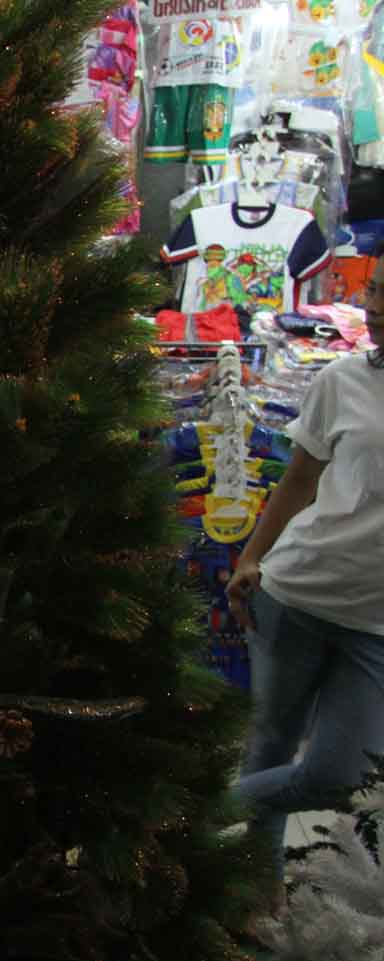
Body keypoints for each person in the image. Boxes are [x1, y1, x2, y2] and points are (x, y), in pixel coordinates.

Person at [225, 262, 384, 870]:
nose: (375, 308)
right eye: (375, 291)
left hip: (375, 624)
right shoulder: (342, 381)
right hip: (297, 590)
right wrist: (251, 557)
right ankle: (254, 884)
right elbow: (299, 480)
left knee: (338, 774)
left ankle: (182, 816)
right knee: (270, 745)